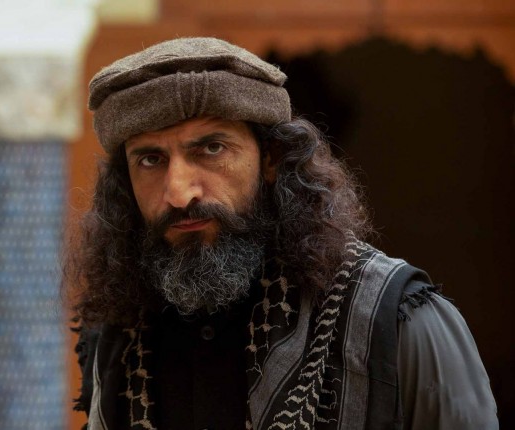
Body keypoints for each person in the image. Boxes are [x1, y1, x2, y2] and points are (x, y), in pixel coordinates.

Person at [64, 37, 498, 429]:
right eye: (150, 160)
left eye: (212, 148)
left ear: (271, 159)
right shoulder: (118, 338)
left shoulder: (399, 320)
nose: (178, 193)